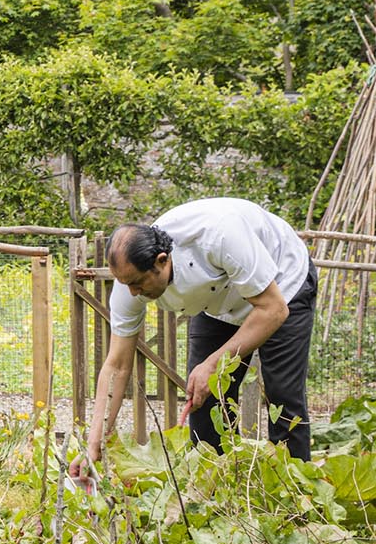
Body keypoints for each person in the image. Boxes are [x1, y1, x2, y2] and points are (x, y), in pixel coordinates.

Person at [73, 196, 317, 477]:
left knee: (283, 396)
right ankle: (217, 495)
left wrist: (212, 364)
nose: (133, 294)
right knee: (204, 399)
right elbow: (116, 365)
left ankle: (297, 494)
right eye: (127, 285)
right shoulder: (131, 282)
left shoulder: (219, 235)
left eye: (138, 284)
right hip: (220, 305)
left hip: (282, 287)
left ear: (161, 261)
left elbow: (273, 310)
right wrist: (94, 443)